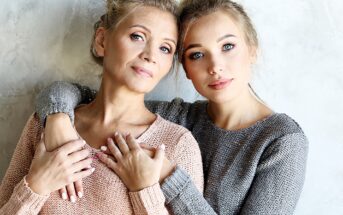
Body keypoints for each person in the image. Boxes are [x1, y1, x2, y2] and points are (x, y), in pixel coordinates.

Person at [34, 0, 309, 214]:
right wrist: (56, 117)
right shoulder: (182, 117)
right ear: (185, 69)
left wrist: (169, 178)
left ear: (253, 49)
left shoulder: (282, 140)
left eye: (228, 46)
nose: (215, 67)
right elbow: (87, 97)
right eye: (197, 55)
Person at [0, 0, 204, 214]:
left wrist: (145, 191)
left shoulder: (177, 144)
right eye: (137, 36)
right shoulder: (46, 124)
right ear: (102, 40)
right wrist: (36, 187)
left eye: (165, 48)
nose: (150, 55)